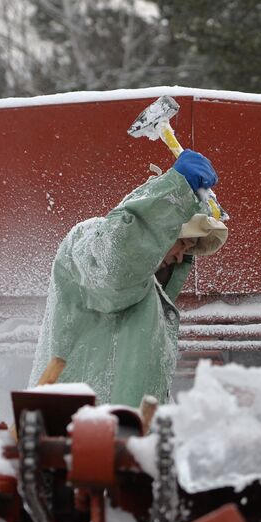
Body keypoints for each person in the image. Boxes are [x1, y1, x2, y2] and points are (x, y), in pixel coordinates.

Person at [31, 150, 228, 406]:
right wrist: (177, 191)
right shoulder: (89, 242)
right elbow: (119, 263)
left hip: (109, 435)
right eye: (183, 243)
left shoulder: (148, 296)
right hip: (74, 434)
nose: (181, 257)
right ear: (161, 228)